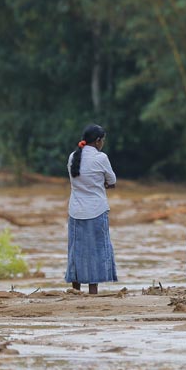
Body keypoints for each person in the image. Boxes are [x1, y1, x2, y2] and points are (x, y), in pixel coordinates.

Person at [65, 124, 118, 295]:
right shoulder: (101, 158)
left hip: (75, 211)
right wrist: (102, 184)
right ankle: (93, 291)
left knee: (76, 251)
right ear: (97, 141)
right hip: (96, 210)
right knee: (96, 251)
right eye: (102, 141)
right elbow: (112, 181)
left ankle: (75, 290)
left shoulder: (73, 157)